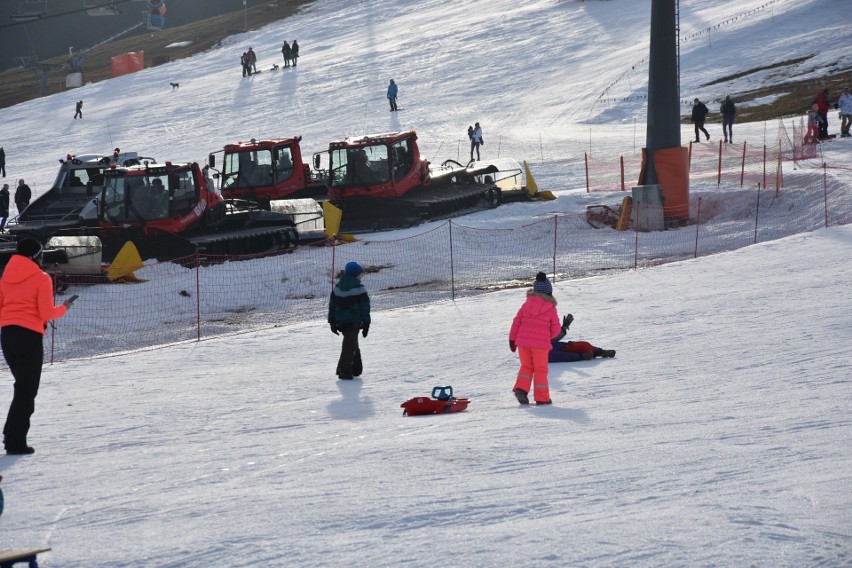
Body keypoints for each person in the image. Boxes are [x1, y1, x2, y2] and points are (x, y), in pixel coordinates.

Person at [1, 238, 74, 454]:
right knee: (26, 391)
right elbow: (46, 313)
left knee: (22, 388)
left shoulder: (6, 276)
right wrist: (65, 307)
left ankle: (11, 435)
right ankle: (14, 442)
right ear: (37, 256)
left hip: (7, 335)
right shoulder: (41, 278)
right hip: (28, 336)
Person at [509, 272, 561, 405]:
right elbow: (556, 329)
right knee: (540, 369)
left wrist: (512, 339)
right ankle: (542, 398)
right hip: (540, 346)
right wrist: (544, 337)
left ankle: (521, 389)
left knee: (526, 366)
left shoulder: (526, 305)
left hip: (523, 344)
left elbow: (517, 322)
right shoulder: (550, 307)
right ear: (549, 292)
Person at [328, 261, 370, 380]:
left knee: (351, 342)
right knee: (349, 345)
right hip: (354, 321)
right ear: (355, 275)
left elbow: (332, 306)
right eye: (360, 275)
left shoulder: (338, 288)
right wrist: (366, 323)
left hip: (341, 321)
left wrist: (332, 322)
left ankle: (355, 369)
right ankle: (344, 370)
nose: (361, 277)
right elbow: (365, 307)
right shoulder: (359, 288)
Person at [549, 314, 616, 362]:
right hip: (562, 351)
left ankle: (600, 352)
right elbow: (559, 356)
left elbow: (553, 339)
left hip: (564, 347)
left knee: (584, 345)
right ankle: (593, 353)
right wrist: (581, 357)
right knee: (582, 347)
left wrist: (563, 328)